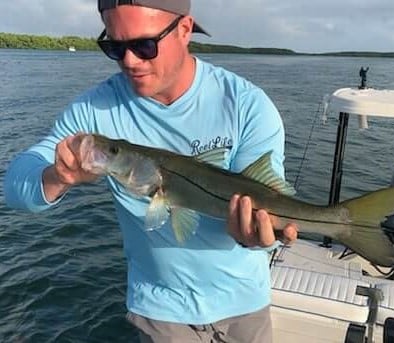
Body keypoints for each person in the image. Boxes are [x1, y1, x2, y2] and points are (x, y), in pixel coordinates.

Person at [4, 0, 298, 342]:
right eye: (114, 47)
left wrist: (262, 238)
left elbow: (266, 202)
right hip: (161, 314)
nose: (129, 61)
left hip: (246, 304)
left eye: (144, 45)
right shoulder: (93, 110)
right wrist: (57, 176)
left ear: (185, 30)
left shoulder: (247, 104)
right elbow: (16, 186)